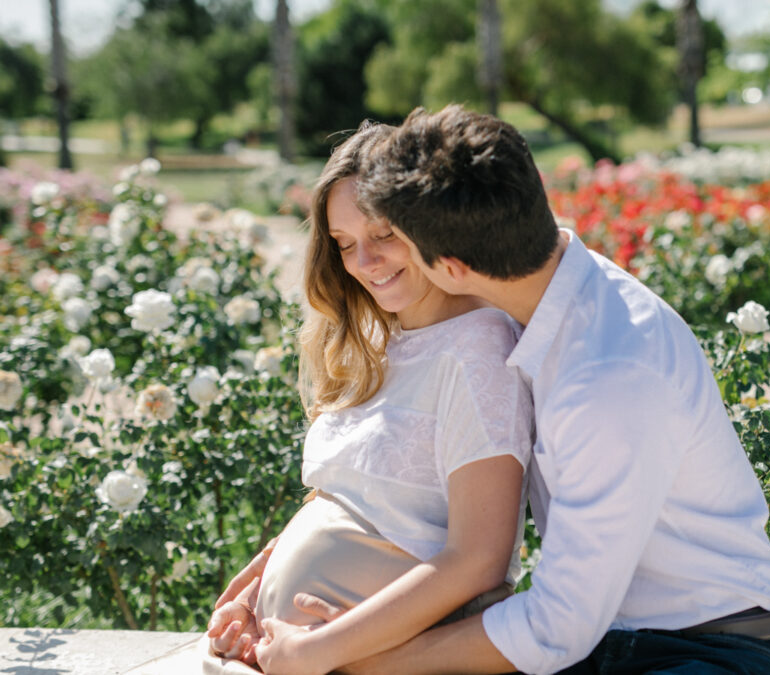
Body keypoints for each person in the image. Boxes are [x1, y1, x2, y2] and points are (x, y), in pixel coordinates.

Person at [254, 105, 770, 674]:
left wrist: (352, 661)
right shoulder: (550, 297)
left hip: (706, 652)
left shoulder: (610, 375)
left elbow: (554, 627)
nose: (370, 263)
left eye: (394, 238)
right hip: (606, 643)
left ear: (449, 264)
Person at [202, 121, 534, 675]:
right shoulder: (380, 340)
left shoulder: (478, 348)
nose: (365, 262)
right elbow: (357, 496)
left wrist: (317, 651)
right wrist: (263, 577)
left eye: (383, 234)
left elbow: (480, 560)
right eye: (345, 244)